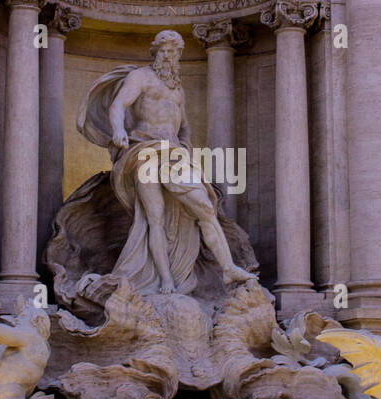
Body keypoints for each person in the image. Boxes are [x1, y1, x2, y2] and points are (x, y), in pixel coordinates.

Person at [77, 30, 254, 295]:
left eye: (174, 51)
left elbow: (184, 127)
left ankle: (228, 268)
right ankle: (165, 280)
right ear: (155, 52)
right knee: (154, 218)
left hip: (174, 154)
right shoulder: (140, 77)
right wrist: (118, 131)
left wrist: (187, 148)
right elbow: (117, 106)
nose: (169, 56)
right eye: (164, 50)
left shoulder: (177, 88)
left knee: (205, 207)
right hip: (145, 151)